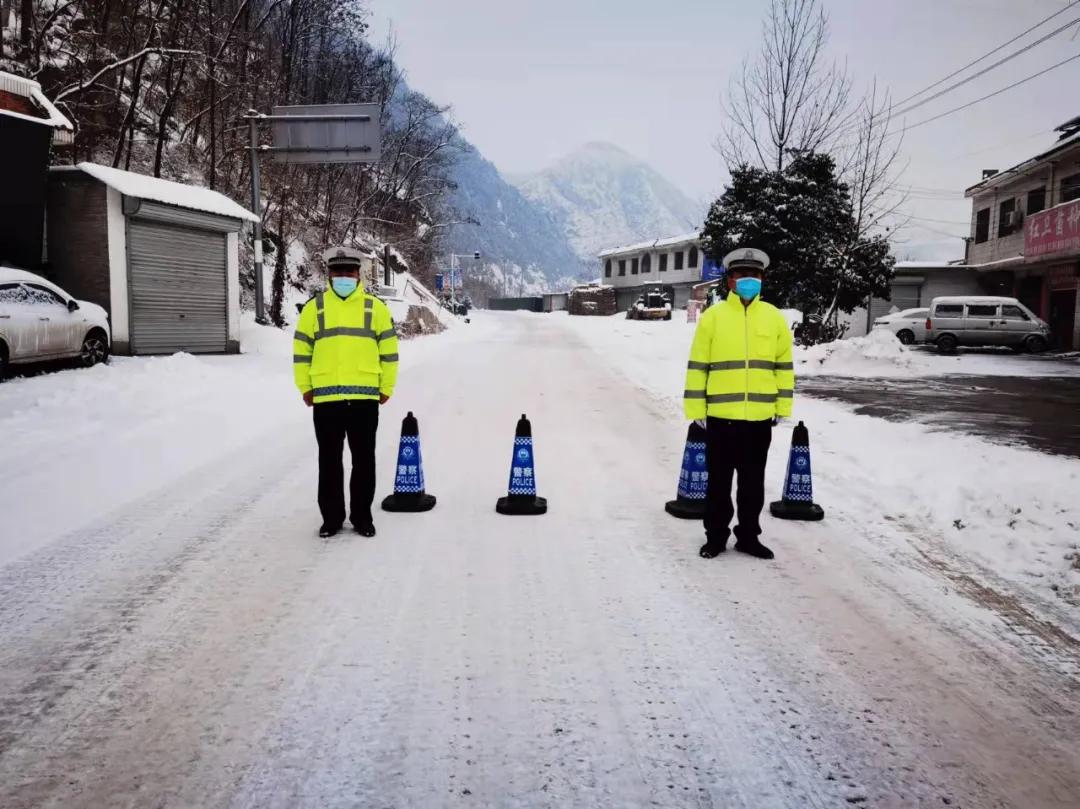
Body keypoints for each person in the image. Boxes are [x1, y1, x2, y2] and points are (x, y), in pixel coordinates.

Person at [683, 248, 794, 560]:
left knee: (752, 486)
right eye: (742, 275)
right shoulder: (714, 318)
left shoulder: (774, 318)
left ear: (763, 279)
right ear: (729, 281)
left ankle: (748, 536)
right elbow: (698, 366)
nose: (749, 280)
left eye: (755, 275)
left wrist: (782, 408)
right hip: (721, 419)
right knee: (718, 485)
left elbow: (783, 367)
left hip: (759, 420)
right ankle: (715, 537)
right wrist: (696, 411)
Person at [293, 247, 399, 538]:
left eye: (349, 272)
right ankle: (332, 519)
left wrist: (386, 387)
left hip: (365, 399)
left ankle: (362, 517)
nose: (344, 277)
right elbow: (302, 351)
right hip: (325, 398)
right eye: (338, 272)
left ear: (358, 274)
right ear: (329, 274)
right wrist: (305, 387)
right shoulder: (314, 308)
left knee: (364, 461)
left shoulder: (375, 308)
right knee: (329, 461)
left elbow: (389, 352)